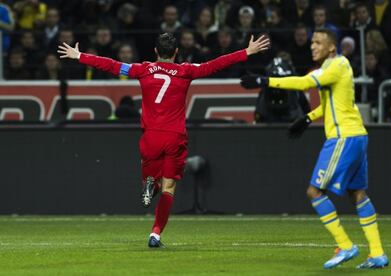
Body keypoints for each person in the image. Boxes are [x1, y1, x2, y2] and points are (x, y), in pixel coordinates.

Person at [58, 32, 269, 248]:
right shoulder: (186, 71)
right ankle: (155, 234)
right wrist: (247, 52)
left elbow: (112, 65)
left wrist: (79, 55)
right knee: (169, 187)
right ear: (177, 52)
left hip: (151, 136)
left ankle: (150, 185)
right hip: (174, 136)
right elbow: (214, 65)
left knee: (152, 182)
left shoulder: (142, 69)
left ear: (156, 51)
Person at [240, 29, 389, 269]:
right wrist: (308, 118)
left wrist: (264, 80)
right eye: (312, 42)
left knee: (314, 191)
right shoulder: (333, 68)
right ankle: (378, 253)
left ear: (332, 47)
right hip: (357, 135)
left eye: (318, 42)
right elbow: (334, 104)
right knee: (358, 194)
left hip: (343, 138)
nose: (312, 46)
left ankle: (345, 245)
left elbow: (304, 82)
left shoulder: (337, 65)